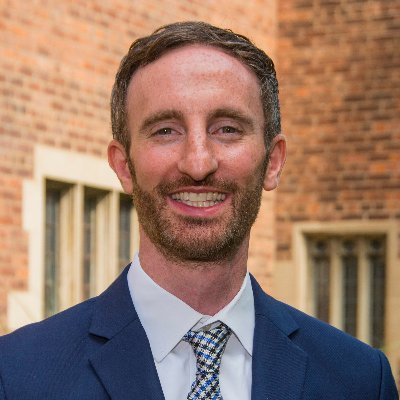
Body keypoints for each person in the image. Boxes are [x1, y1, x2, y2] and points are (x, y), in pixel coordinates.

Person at [0, 21, 397, 400]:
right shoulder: (16, 376)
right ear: (124, 166)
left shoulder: (359, 380)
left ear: (272, 162)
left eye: (227, 128)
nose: (197, 162)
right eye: (165, 130)